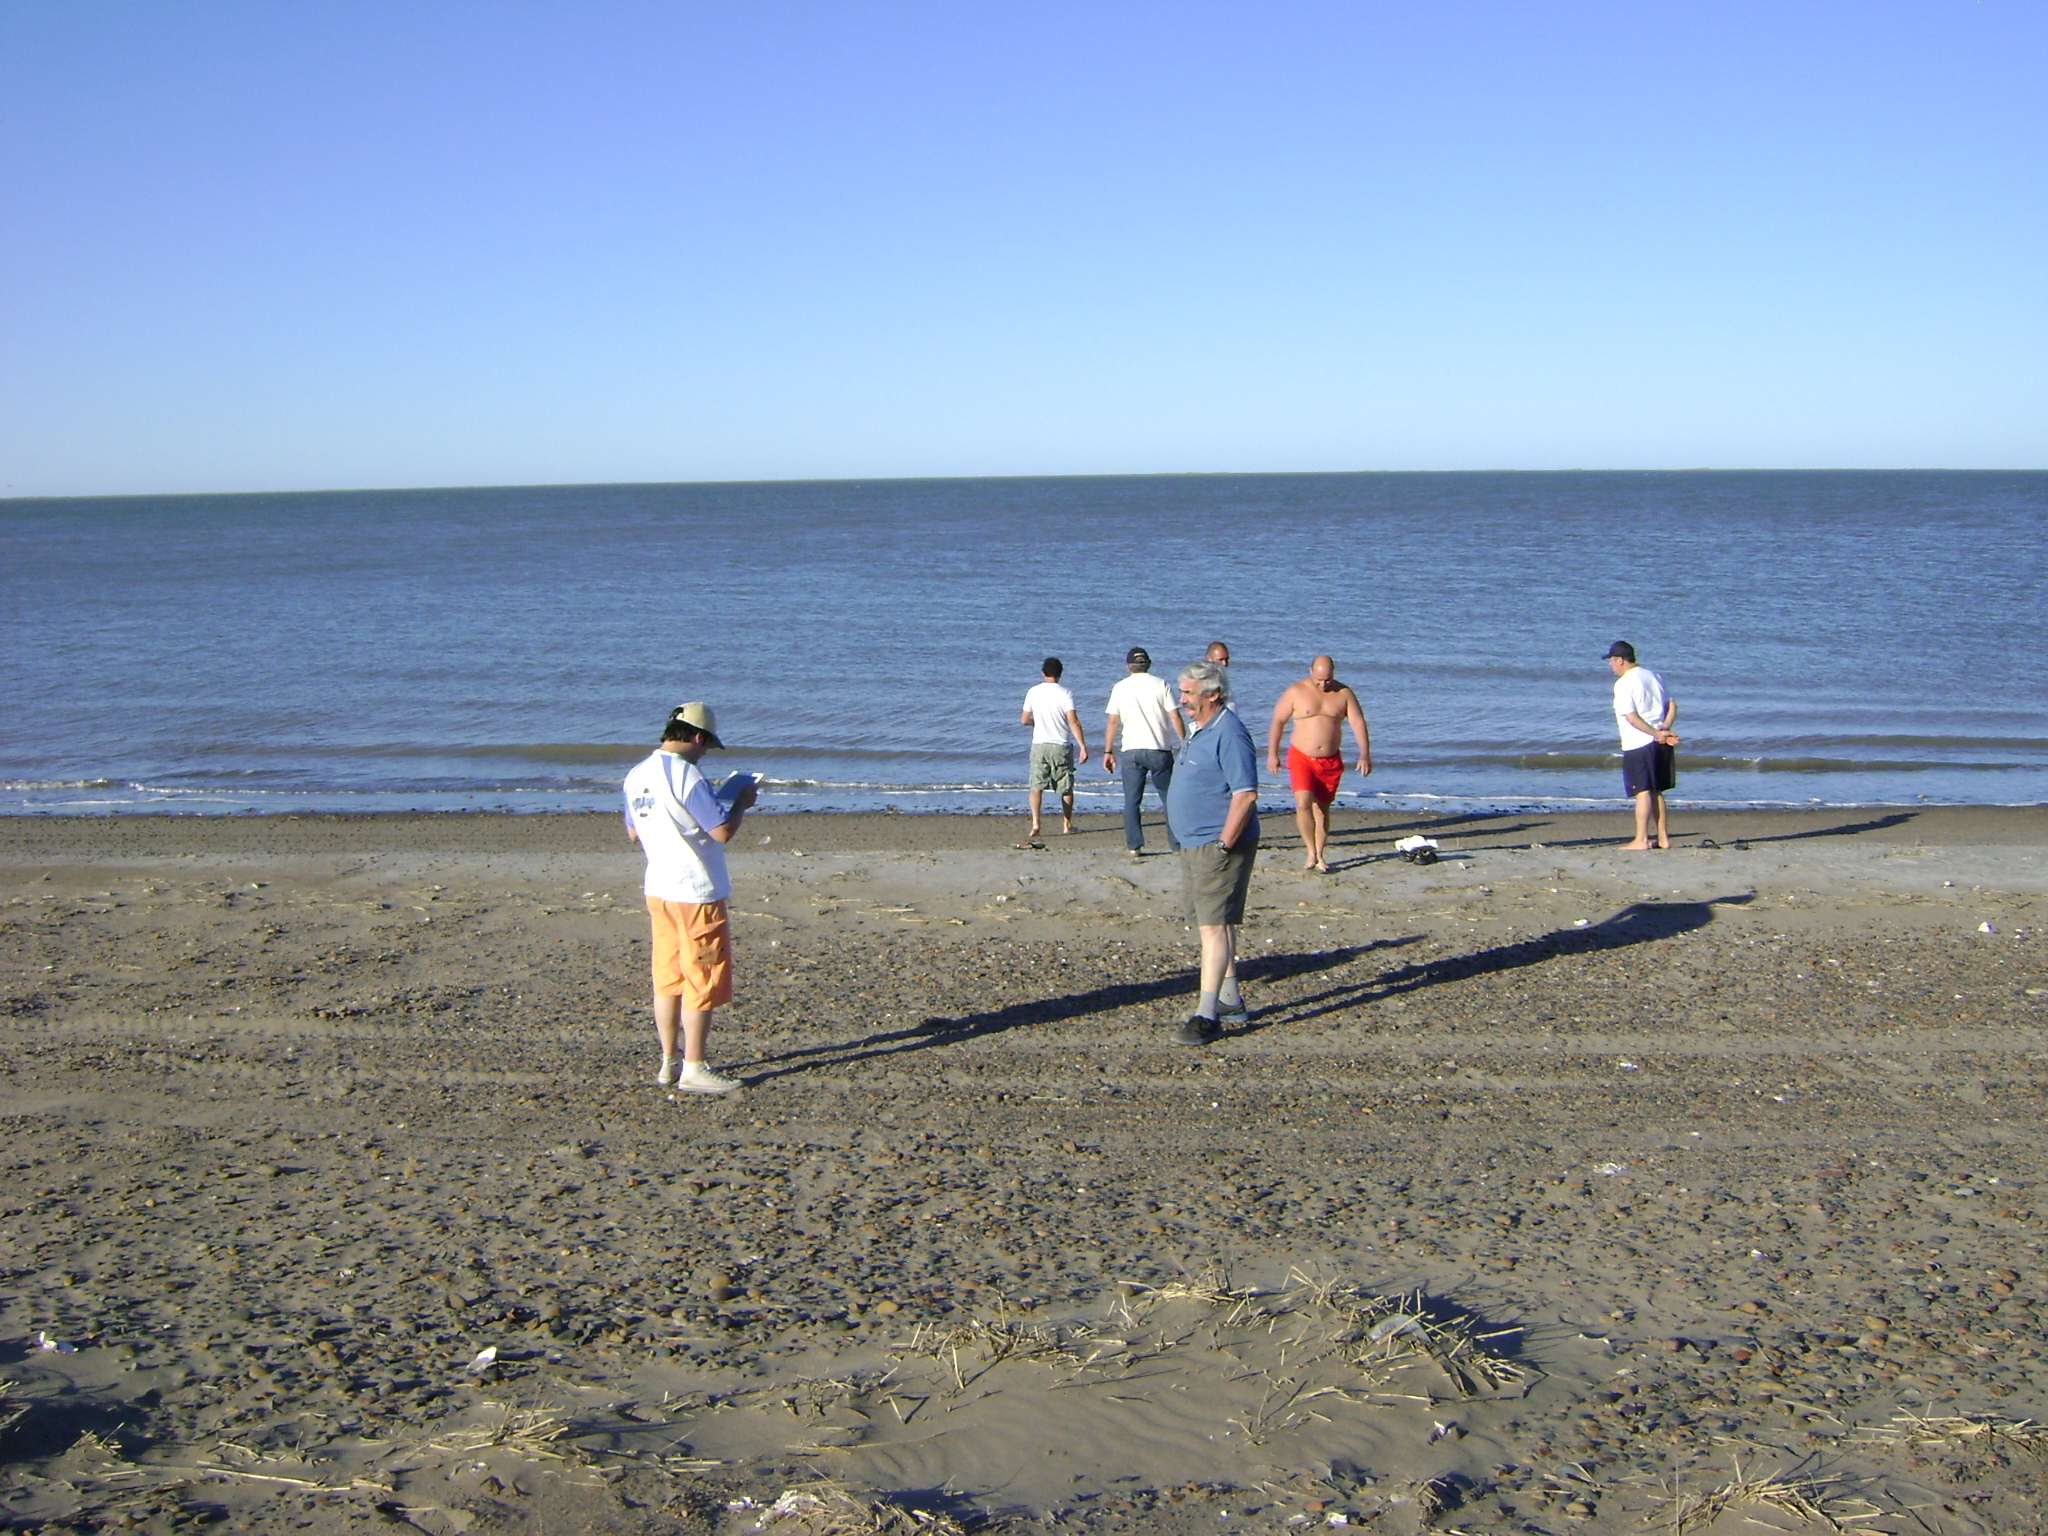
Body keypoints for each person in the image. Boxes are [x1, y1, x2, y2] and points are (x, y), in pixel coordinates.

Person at [622, 702, 758, 1093]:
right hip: (696, 890)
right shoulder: (687, 776)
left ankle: (668, 1060)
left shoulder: (636, 774)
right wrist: (741, 805)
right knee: (701, 976)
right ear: (697, 738)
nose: (703, 754)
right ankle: (694, 1066)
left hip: (659, 887)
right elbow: (721, 833)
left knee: (668, 977)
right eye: (705, 747)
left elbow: (633, 833)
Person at [1165, 660, 1260, 1044]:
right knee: (1216, 923)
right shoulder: (1200, 728)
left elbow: (1246, 793)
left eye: (1188, 692)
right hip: (1194, 843)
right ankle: (1230, 999)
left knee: (1213, 927)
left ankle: (1207, 1013)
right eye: (1182, 691)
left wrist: (1224, 842)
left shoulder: (1230, 733)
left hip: (1216, 845)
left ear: (1213, 694)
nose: (1182, 698)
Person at [1266, 656, 1372, 872]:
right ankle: (1310, 852)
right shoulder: (1296, 691)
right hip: (1301, 757)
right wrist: (1272, 754)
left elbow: (1357, 722)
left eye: (1327, 680)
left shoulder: (1344, 694)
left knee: (1322, 810)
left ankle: (1321, 855)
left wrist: (1364, 754)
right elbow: (1278, 720)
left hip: (1330, 761)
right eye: (1319, 679)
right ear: (1311, 671)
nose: (1323, 684)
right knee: (1303, 802)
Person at [1102, 647, 1185, 856]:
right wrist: (1185, 742)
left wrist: (1108, 750)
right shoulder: (1161, 684)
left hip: (1132, 749)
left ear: (1128, 666)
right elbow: (1174, 716)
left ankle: (1134, 846)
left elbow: (1113, 720)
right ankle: (1176, 844)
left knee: (1132, 800)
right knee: (1169, 799)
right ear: (1148, 664)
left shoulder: (1120, 687)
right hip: (1159, 748)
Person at [1606, 641, 1679, 851]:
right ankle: (1663, 838)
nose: (1611, 665)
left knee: (1643, 791)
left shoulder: (1624, 683)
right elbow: (1671, 705)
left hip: (1640, 742)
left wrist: (1657, 733)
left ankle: (1641, 839)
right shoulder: (1653, 676)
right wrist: (1664, 728)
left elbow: (1631, 717)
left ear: (1619, 660)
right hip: (1658, 740)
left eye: (1612, 661)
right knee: (1656, 791)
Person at [1020, 657, 1089, 842]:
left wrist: (1037, 723)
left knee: (1036, 786)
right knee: (1065, 786)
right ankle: (1067, 823)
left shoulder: (1033, 692)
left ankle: (1036, 823)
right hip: (1061, 745)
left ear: (1043, 673)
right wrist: (1082, 745)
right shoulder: (1065, 693)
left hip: (1040, 744)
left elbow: (1024, 719)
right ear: (1060, 674)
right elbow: (1073, 721)